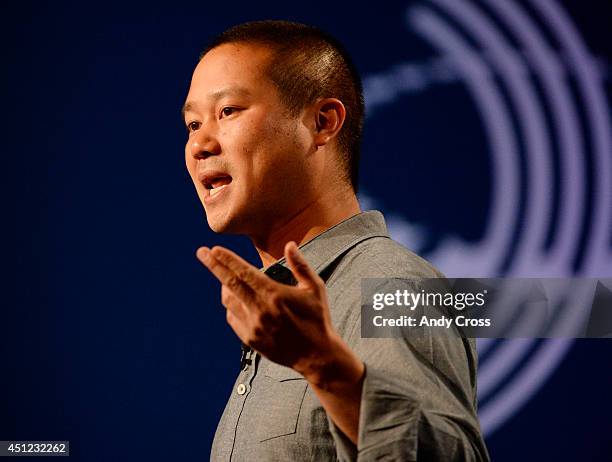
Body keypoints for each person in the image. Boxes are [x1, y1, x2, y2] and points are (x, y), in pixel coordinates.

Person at [182, 20, 490, 461]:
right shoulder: (288, 314)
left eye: (227, 111)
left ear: (323, 122)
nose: (199, 144)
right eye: (192, 124)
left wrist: (322, 365)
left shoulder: (392, 290)